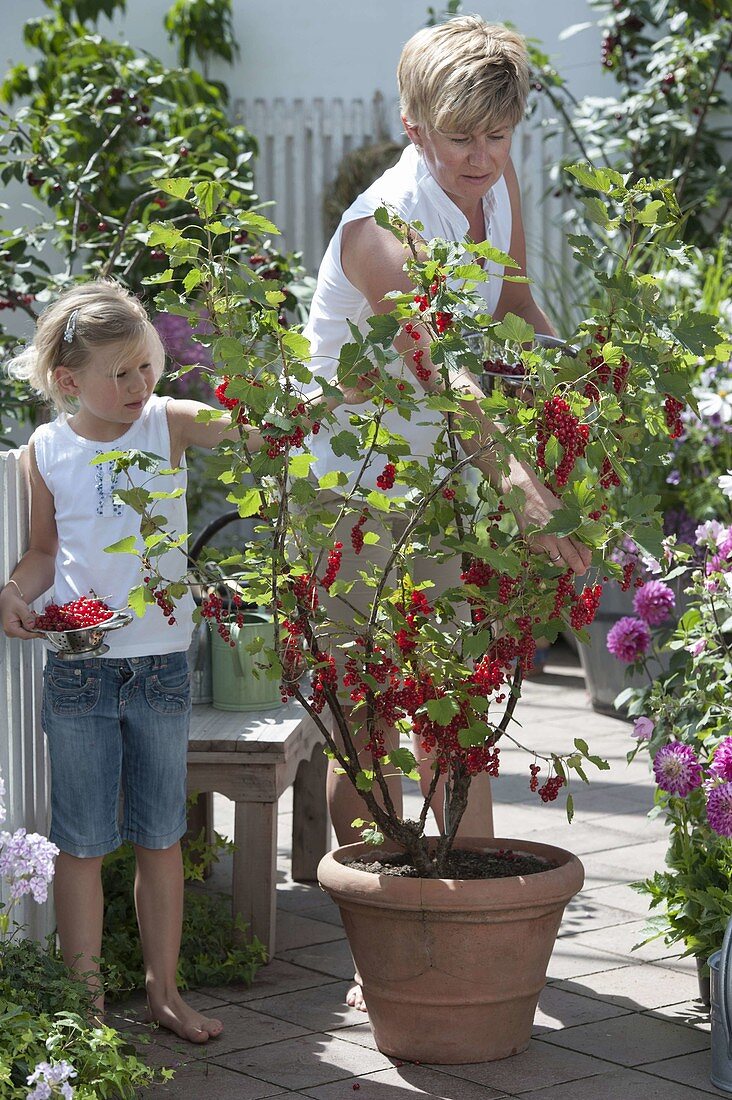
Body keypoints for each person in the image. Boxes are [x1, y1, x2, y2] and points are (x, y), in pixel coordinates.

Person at [302, 15, 591, 1008]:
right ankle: (383, 945)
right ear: (413, 124)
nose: (482, 158)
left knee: (457, 709)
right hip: (358, 495)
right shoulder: (382, 231)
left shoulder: (494, 186)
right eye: (461, 136)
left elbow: (513, 305)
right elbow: (448, 377)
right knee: (371, 713)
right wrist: (519, 482)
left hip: (443, 483)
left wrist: (573, 399)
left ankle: (456, 935)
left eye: (499, 136)